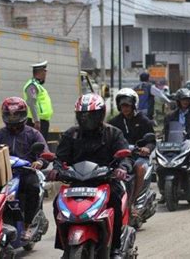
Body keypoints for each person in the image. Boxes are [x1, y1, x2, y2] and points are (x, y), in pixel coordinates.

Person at [47, 93, 133, 258]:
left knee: (114, 201)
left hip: (106, 182)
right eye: (83, 116)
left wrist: (122, 167)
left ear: (100, 114)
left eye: (91, 115)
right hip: (77, 183)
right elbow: (60, 157)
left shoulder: (113, 133)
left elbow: (125, 157)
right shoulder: (71, 134)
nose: (87, 119)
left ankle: (115, 247)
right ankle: (64, 245)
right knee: (57, 204)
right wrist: (56, 169)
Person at [0, 97, 49, 240]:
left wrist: (40, 162)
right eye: (10, 115)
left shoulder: (33, 134)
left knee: (33, 187)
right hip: (4, 174)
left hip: (26, 172)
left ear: (23, 115)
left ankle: (28, 225)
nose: (13, 118)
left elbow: (44, 153)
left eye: (16, 115)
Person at [108, 88, 155, 212]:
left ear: (134, 105)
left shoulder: (144, 121)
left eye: (128, 105)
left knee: (139, 168)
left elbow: (152, 140)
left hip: (138, 156)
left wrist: (146, 148)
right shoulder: (113, 123)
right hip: (120, 156)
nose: (125, 108)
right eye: (123, 105)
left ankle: (132, 201)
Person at [162, 88, 190, 204]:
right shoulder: (170, 116)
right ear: (178, 101)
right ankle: (164, 192)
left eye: (187, 100)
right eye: (183, 100)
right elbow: (166, 131)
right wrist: (161, 137)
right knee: (161, 164)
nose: (185, 102)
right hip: (174, 144)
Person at [23, 60, 53, 139]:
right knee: (38, 145)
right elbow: (32, 103)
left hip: (42, 121)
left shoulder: (37, 85)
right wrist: (36, 121)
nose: (46, 73)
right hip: (36, 122)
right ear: (40, 72)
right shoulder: (32, 85)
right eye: (45, 71)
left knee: (41, 145)